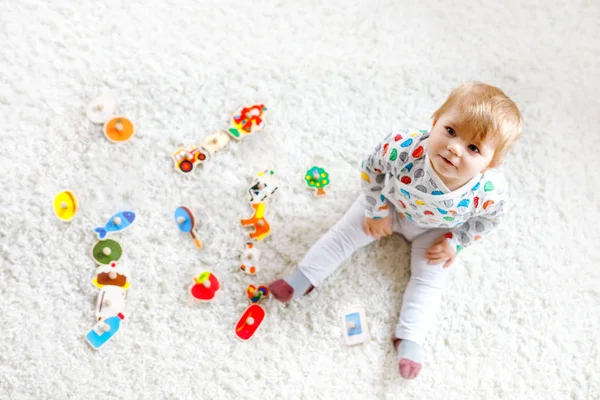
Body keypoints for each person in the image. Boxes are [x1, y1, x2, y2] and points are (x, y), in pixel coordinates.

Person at [269, 82, 523, 379]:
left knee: (430, 279)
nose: (454, 148)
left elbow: (491, 219)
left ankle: (410, 337)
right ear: (436, 120)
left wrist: (457, 242)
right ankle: (304, 276)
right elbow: (371, 169)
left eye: (473, 148)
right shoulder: (404, 147)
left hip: (436, 231)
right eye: (451, 131)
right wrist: (376, 209)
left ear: (490, 163)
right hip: (390, 204)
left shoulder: (490, 191)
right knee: (342, 235)